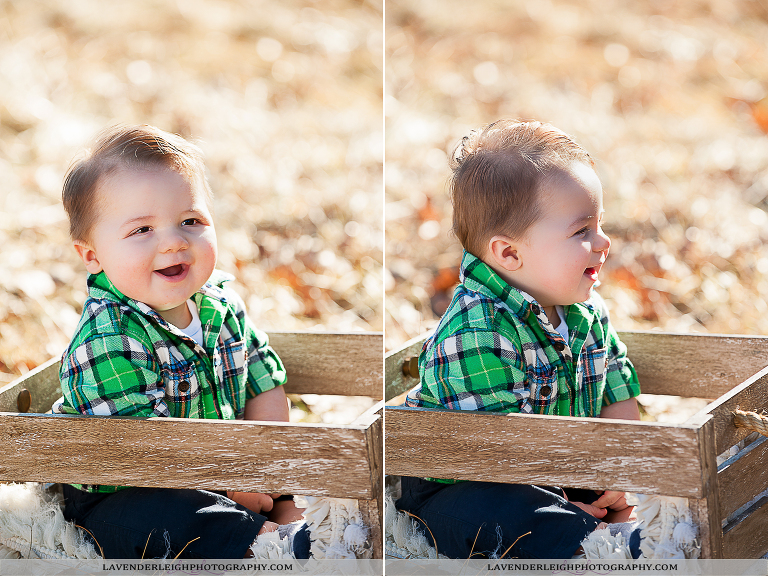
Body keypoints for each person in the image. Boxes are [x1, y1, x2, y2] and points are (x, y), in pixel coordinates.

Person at [53, 124, 309, 559]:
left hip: (228, 463)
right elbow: (146, 455)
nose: (173, 241)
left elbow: (264, 385)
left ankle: (292, 528)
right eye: (142, 230)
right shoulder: (108, 338)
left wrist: (263, 467)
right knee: (176, 518)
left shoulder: (221, 306)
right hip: (133, 488)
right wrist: (232, 486)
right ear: (92, 255)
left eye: (191, 221)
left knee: (301, 481)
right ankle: (261, 540)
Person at [396, 119, 642, 559]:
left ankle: (606, 532)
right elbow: (498, 455)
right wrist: (563, 500)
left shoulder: (587, 313)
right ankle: (591, 541)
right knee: (506, 517)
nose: (603, 241)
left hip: (562, 464)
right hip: (470, 486)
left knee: (617, 499)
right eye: (581, 231)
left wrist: (618, 472)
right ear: (509, 253)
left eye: (599, 224)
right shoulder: (478, 332)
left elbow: (617, 389)